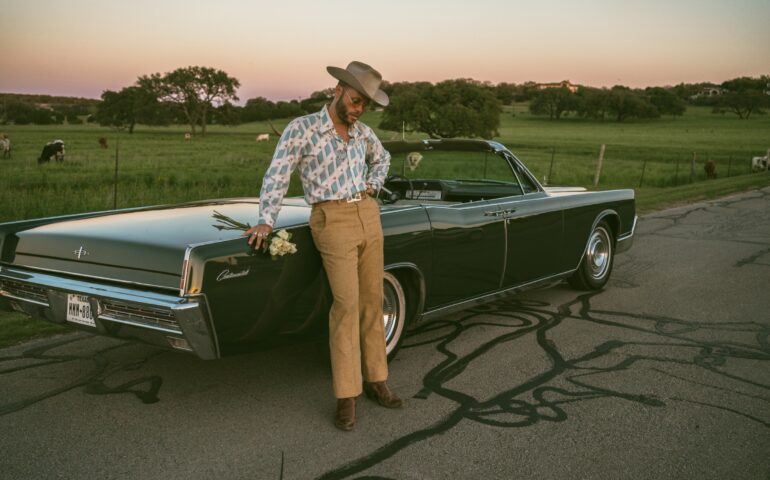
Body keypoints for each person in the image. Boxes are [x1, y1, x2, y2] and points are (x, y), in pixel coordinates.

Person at [243, 61, 402, 431]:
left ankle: (378, 380)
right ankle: (347, 396)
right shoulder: (303, 129)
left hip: (368, 215)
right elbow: (277, 175)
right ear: (337, 90)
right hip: (331, 220)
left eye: (365, 104)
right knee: (345, 305)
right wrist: (267, 218)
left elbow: (384, 158)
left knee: (372, 300)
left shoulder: (363, 133)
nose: (358, 108)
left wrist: (373, 185)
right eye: (354, 99)